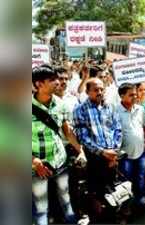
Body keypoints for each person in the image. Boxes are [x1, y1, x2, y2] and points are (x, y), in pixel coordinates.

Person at [32, 65, 86, 225]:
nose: (57, 82)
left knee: (65, 197)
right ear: (38, 84)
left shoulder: (61, 104)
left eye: (57, 78)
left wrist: (80, 151)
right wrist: (34, 161)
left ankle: (71, 221)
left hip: (60, 161)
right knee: (41, 206)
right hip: (38, 167)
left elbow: (67, 132)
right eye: (52, 80)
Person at [73, 78, 122, 217]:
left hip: (113, 155)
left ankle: (114, 214)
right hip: (95, 157)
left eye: (101, 89)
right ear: (87, 92)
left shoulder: (110, 106)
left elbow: (117, 129)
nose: (100, 92)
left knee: (113, 187)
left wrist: (114, 153)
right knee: (96, 189)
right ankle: (99, 216)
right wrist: (103, 152)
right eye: (96, 90)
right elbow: (83, 137)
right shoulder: (80, 109)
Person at [115, 83, 145, 209]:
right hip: (124, 155)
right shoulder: (114, 111)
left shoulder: (140, 109)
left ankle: (141, 199)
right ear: (122, 96)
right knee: (125, 182)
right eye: (131, 94)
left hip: (141, 152)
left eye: (135, 94)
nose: (135, 96)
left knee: (141, 178)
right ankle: (125, 208)